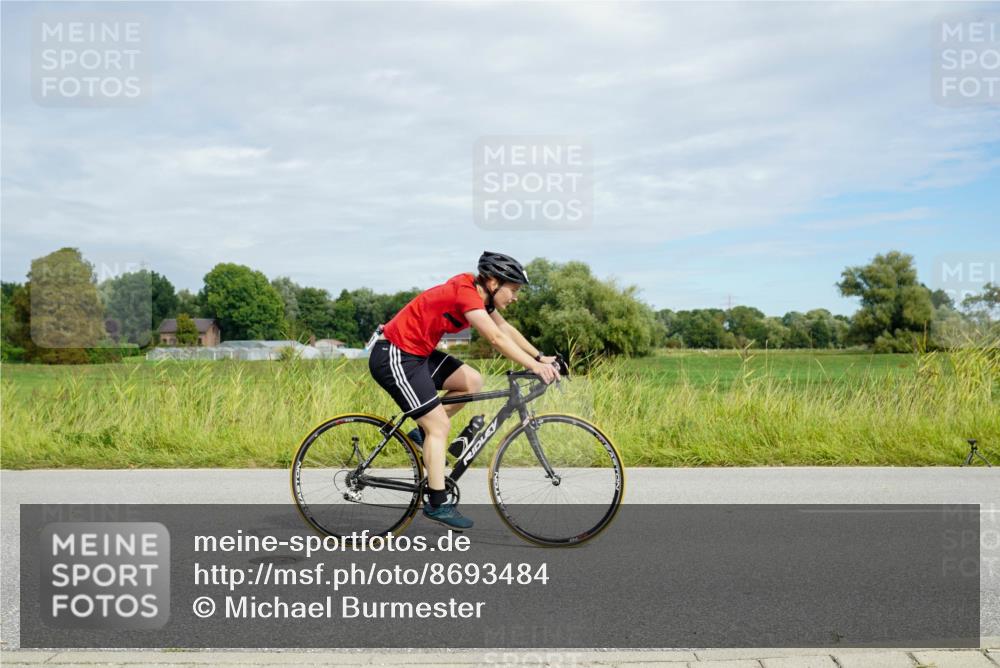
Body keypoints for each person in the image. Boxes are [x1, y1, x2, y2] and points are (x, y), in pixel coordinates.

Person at [367, 251, 560, 529]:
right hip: (394, 355)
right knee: (439, 428)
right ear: (494, 283)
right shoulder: (466, 294)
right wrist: (533, 366)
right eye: (513, 290)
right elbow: (494, 339)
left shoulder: (481, 297)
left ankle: (422, 433)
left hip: (418, 355)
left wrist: (540, 358)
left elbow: (505, 330)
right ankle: (437, 502)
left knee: (471, 381)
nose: (515, 297)